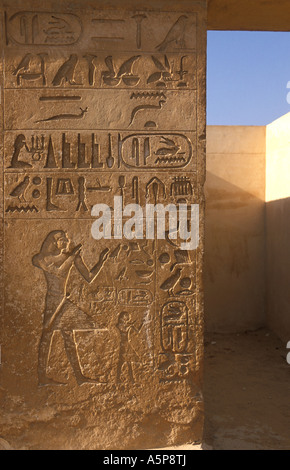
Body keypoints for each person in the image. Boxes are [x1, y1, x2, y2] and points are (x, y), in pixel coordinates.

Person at [32, 230, 109, 386]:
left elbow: (89, 277)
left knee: (69, 337)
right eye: (62, 240)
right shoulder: (41, 259)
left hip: (63, 301)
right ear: (53, 242)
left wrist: (101, 261)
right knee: (47, 337)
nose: (66, 243)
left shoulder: (69, 257)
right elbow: (58, 272)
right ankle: (41, 378)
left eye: (66, 240)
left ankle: (79, 377)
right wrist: (72, 257)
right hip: (53, 301)